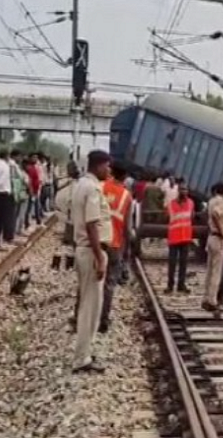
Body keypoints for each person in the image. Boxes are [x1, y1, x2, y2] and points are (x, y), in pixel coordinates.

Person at [71, 150, 112, 374]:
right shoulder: (93, 188)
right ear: (98, 166)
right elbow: (92, 224)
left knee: (90, 303)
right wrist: (100, 258)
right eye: (107, 166)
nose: (109, 170)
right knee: (90, 306)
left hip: (84, 250)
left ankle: (84, 351)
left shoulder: (80, 185)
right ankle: (82, 358)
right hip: (91, 251)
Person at [99, 160, 133, 331]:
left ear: (111, 172)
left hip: (97, 241)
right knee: (109, 283)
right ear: (125, 177)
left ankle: (82, 318)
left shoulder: (101, 187)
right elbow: (128, 227)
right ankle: (103, 321)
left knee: (92, 281)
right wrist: (127, 250)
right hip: (115, 244)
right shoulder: (127, 196)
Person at [203, 182, 223, 311]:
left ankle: (206, 297)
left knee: (209, 270)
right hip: (218, 237)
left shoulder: (211, 201)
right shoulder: (221, 202)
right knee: (216, 271)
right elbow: (215, 214)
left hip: (211, 236)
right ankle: (212, 300)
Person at [166, 183, 194, 294]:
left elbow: (191, 217)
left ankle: (181, 285)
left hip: (186, 238)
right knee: (172, 264)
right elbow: (167, 217)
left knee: (183, 263)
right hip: (174, 238)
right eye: (182, 189)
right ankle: (170, 285)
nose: (184, 191)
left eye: (185, 189)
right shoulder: (171, 204)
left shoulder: (191, 203)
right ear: (178, 191)